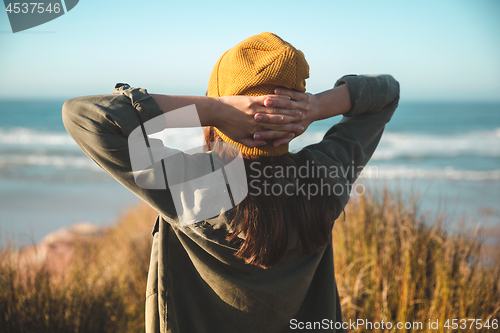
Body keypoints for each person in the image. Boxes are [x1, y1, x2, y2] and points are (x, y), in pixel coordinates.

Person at [62, 32, 400, 333]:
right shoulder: (323, 176)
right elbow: (386, 92)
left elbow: (86, 117)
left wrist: (213, 109)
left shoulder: (195, 184)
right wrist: (316, 107)